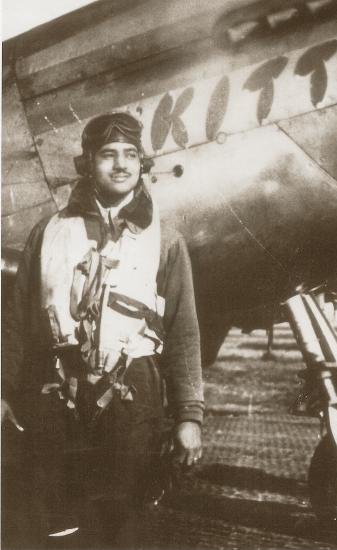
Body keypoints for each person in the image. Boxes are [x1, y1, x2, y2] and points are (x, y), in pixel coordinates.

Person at [1, 112, 204, 548]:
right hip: (57, 399)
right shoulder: (49, 232)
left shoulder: (165, 239)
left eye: (131, 154)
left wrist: (189, 415)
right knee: (58, 527)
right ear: (88, 162)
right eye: (108, 154)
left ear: (142, 163)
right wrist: (3, 391)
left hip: (134, 400)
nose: (121, 164)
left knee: (124, 526)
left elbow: (183, 331)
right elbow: (17, 321)